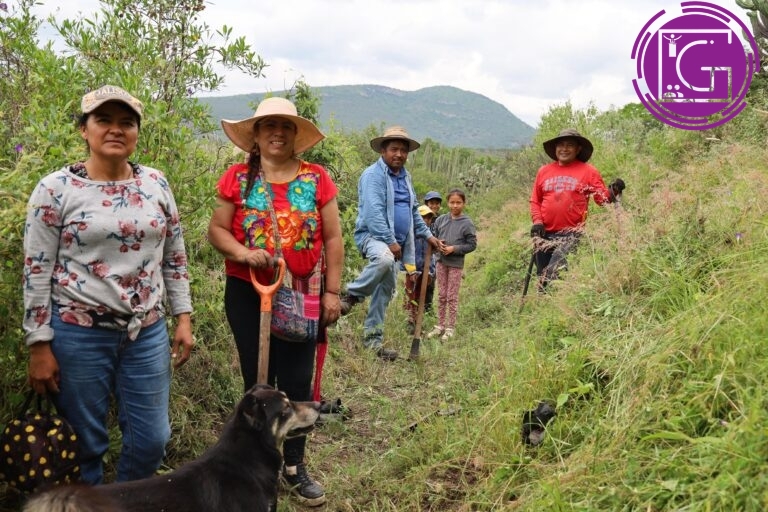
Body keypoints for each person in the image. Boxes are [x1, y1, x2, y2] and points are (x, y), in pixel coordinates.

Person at [23, 85, 194, 485]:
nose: (116, 129)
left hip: (146, 333)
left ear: (137, 132)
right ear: (84, 129)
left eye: (126, 122)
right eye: (103, 120)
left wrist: (183, 316)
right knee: (85, 445)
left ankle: (125, 503)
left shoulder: (156, 183)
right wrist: (39, 344)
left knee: (152, 440)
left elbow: (174, 254)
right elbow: (36, 269)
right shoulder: (55, 189)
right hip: (77, 335)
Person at [207, 97, 343, 507]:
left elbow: (333, 237)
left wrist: (332, 291)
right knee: (258, 381)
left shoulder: (316, 178)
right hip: (247, 293)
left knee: (297, 380)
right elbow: (217, 230)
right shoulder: (237, 177)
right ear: (256, 134)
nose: (277, 133)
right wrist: (243, 253)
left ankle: (295, 466)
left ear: (295, 134)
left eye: (285, 126)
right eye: (269, 126)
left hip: (302, 291)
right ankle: (254, 465)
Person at [339, 126, 441, 361]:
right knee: (384, 259)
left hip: (399, 244)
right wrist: (391, 242)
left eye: (403, 150)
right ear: (383, 150)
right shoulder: (373, 175)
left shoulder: (406, 177)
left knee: (384, 293)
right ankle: (352, 295)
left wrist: (428, 236)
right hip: (374, 238)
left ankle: (372, 342)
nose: (399, 154)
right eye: (394, 149)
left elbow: (413, 211)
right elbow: (373, 213)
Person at [529, 128, 625, 290]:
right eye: (561, 145)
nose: (564, 149)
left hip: (571, 233)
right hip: (544, 232)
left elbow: (601, 199)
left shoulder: (588, 171)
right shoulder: (544, 171)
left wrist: (613, 191)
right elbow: (535, 200)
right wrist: (537, 221)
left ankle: (560, 301)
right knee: (542, 276)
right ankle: (544, 302)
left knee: (555, 273)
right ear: (555, 148)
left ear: (578, 149)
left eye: (570, 145)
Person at [426, 188, 477, 341]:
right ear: (447, 203)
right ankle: (440, 325)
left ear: (464, 203)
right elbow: (433, 237)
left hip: (455, 264)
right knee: (441, 295)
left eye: (458, 202)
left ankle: (450, 327)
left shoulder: (467, 223)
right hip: (441, 262)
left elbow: (472, 245)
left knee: (451, 296)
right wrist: (438, 244)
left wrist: (454, 248)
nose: (455, 205)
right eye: (452, 202)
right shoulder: (441, 220)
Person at [403, 205, 436, 334]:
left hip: (424, 270)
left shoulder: (430, 236)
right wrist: (410, 270)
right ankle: (410, 320)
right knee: (410, 294)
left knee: (420, 296)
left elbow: (431, 257)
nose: (426, 221)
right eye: (423, 217)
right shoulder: (411, 234)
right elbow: (407, 253)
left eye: (428, 218)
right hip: (413, 270)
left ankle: (418, 321)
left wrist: (431, 272)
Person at [422, 191, 442, 311]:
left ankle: (427, 309)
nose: (434, 206)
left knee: (430, 282)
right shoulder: (420, 217)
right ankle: (412, 310)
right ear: (426, 204)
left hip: (434, 255)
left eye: (437, 203)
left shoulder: (441, 219)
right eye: (431, 203)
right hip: (420, 253)